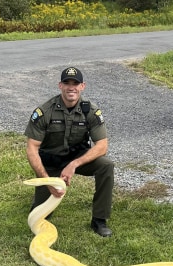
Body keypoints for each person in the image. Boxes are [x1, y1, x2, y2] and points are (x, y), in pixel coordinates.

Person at [24, 66, 114, 237]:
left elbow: (102, 146)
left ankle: (99, 220)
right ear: (60, 86)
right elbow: (32, 148)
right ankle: (42, 195)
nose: (71, 87)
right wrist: (47, 181)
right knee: (40, 216)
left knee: (106, 166)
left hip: (76, 158)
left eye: (75, 83)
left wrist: (74, 164)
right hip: (51, 162)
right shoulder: (44, 111)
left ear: (82, 86)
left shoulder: (91, 111)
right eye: (67, 83)